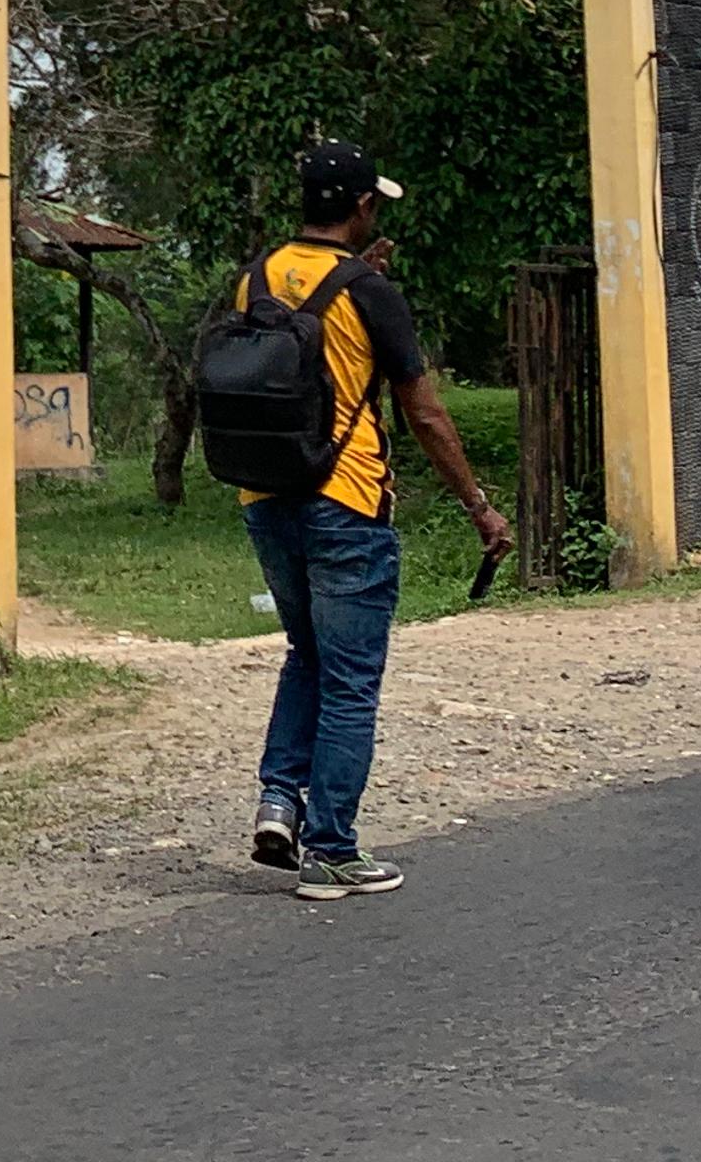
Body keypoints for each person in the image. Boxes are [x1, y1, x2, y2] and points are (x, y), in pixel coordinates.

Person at [239, 139, 511, 900]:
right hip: (347, 501)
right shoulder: (369, 292)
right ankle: (331, 851)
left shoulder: (255, 277)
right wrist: (478, 505)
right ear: (361, 207)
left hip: (264, 495)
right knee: (351, 679)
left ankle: (278, 802)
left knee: (306, 652)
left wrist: (361, 282)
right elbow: (424, 413)